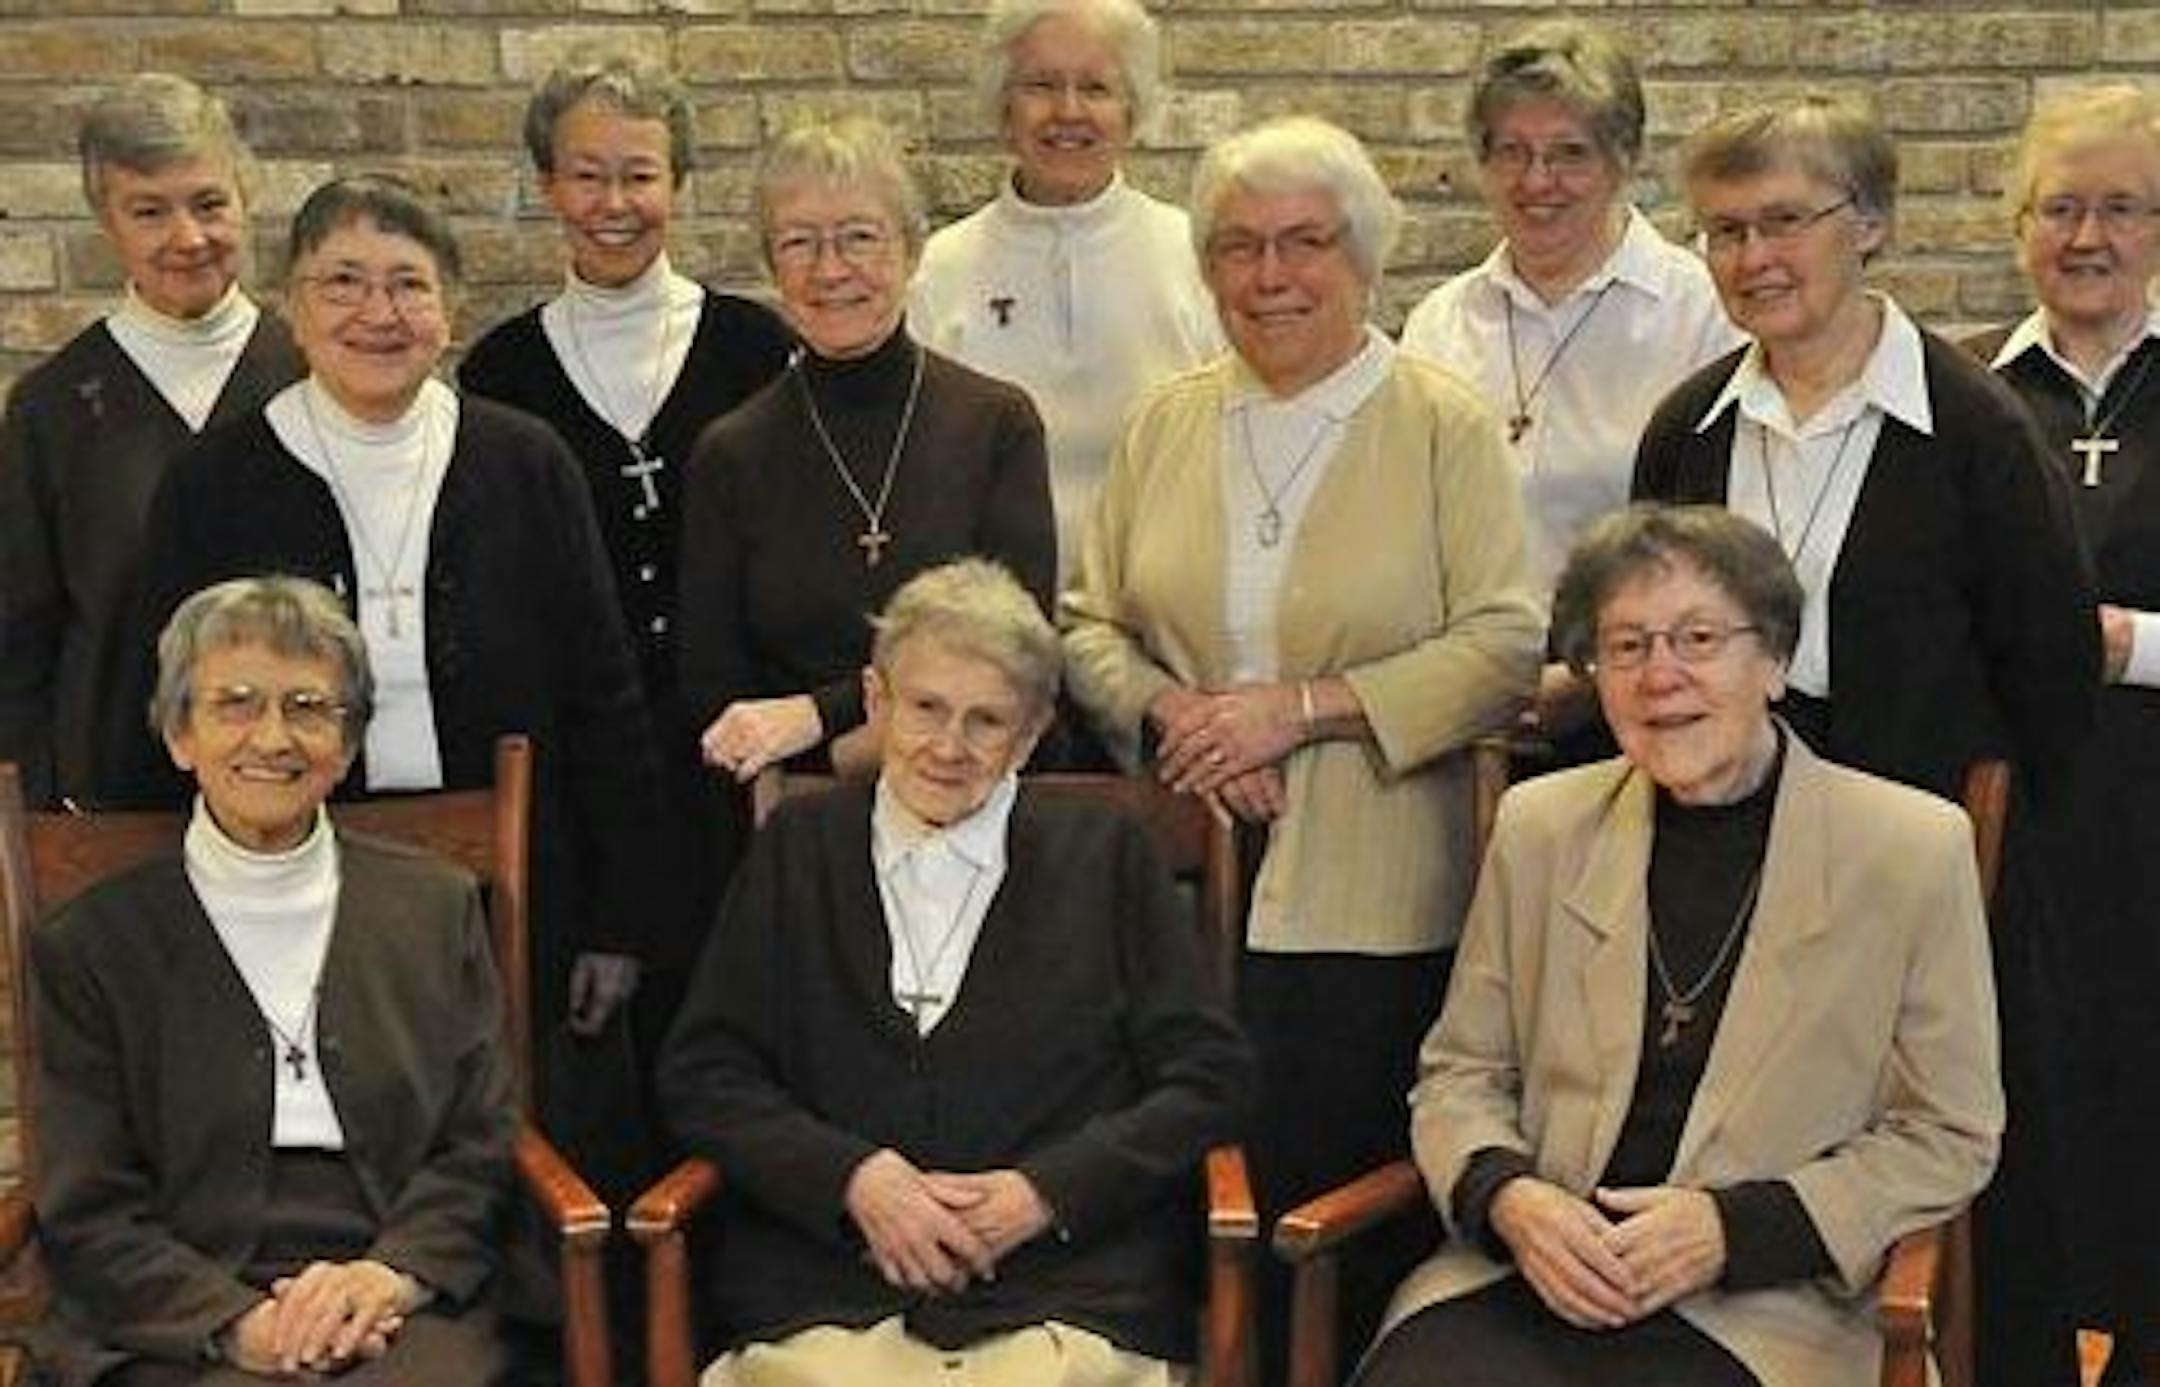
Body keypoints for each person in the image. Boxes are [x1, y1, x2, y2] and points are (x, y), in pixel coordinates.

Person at [1060, 114, 1543, 1383]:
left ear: (1364, 256)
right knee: (1177, 1198)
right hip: (1177, 886)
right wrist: (1179, 716)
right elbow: (1086, 624)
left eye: (1304, 243)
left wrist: (1303, 709)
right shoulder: (1165, 422)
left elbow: (1505, 641)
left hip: (1376, 892)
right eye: (1237, 247)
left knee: (1331, 1209)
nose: (1269, 275)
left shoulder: (1442, 425)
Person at [1629, 96, 2097, 1387]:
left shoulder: (1976, 429)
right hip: (1722, 836)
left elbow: (2052, 670)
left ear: (1872, 224)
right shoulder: (1689, 428)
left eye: (1785, 221)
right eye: (1725, 230)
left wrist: (1965, 829)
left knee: (1945, 1140)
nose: (1753, 257)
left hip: (1917, 842)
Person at [1356, 504, 2002, 1387]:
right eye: (1626, 647)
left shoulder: (1910, 848)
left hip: (1768, 1303)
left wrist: (1732, 1230)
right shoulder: (1540, 826)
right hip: (1538, 1273)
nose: (1661, 675)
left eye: (1699, 638)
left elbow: (1949, 1131)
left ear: (1775, 661)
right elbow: (1462, 1072)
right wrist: (1512, 1198)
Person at [131, 175, 665, 1186]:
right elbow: (168, 712)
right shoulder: (215, 480)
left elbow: (606, 703)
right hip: (292, 888)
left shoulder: (526, 461)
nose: (378, 312)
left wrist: (617, 922)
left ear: (449, 309)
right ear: (292, 306)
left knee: (514, 1158)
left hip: (519, 892)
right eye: (342, 281)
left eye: (409, 284)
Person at [658, 558, 1252, 1387]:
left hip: (1062, 1293)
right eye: (926, 707)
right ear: (876, 701)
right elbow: (707, 1072)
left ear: (1033, 733)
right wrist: (854, 1180)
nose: (948, 746)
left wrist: (1044, 1193)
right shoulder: (800, 846)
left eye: (987, 720)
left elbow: (1208, 1077)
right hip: (830, 1295)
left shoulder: (1107, 853)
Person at [28, 576, 517, 1387]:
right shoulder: (90, 946)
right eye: (236, 704)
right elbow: (88, 1201)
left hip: (395, 1286)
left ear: (348, 744)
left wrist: (388, 1276)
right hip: (175, 1310)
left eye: (307, 707)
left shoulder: (437, 907)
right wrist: (235, 1326)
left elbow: (481, 1140)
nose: (272, 736)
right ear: (179, 733)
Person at [458, 48, 793, 1057]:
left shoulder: (755, 348)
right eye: (587, 174)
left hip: (734, 760)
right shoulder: (501, 372)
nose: (614, 203)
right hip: (582, 776)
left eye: (640, 174)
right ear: (548, 184)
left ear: (678, 183)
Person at [680, 117, 1055, 787]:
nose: (830, 269)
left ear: (911, 251)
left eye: (859, 236)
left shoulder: (998, 424)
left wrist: (819, 716)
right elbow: (717, 698)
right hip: (799, 808)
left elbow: (1016, 651)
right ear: (770, 267)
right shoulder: (731, 453)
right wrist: (841, 756)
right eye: (799, 242)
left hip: (977, 787)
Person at [1397, 20, 1738, 751]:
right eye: (1512, 152)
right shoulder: (1439, 323)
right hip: (1461, 710)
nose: (1537, 181)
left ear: (1624, 160)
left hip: (1646, 705)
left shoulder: (1702, 314)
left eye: (1569, 153)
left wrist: (1590, 677)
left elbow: (1726, 546)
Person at [1975, 85, 2160, 1387]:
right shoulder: (1967, 396)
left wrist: (2123, 643)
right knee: (2022, 1105)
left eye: (2121, 208)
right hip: (2016, 829)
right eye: (2058, 208)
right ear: (2018, 227)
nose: (2086, 236)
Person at [0, 74, 301, 811]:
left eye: (209, 204)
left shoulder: (314, 373)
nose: (187, 238)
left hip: (305, 786)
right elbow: (19, 642)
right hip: (111, 803)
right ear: (106, 221)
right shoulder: (51, 410)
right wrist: (36, 815)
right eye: (149, 211)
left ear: (247, 197)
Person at [909, 0, 1221, 584]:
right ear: (1004, 106)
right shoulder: (937, 271)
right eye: (1041, 85)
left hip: (1162, 604)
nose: (1068, 112)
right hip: (990, 614)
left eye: (1096, 88)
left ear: (1131, 110)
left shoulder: (1196, 256)